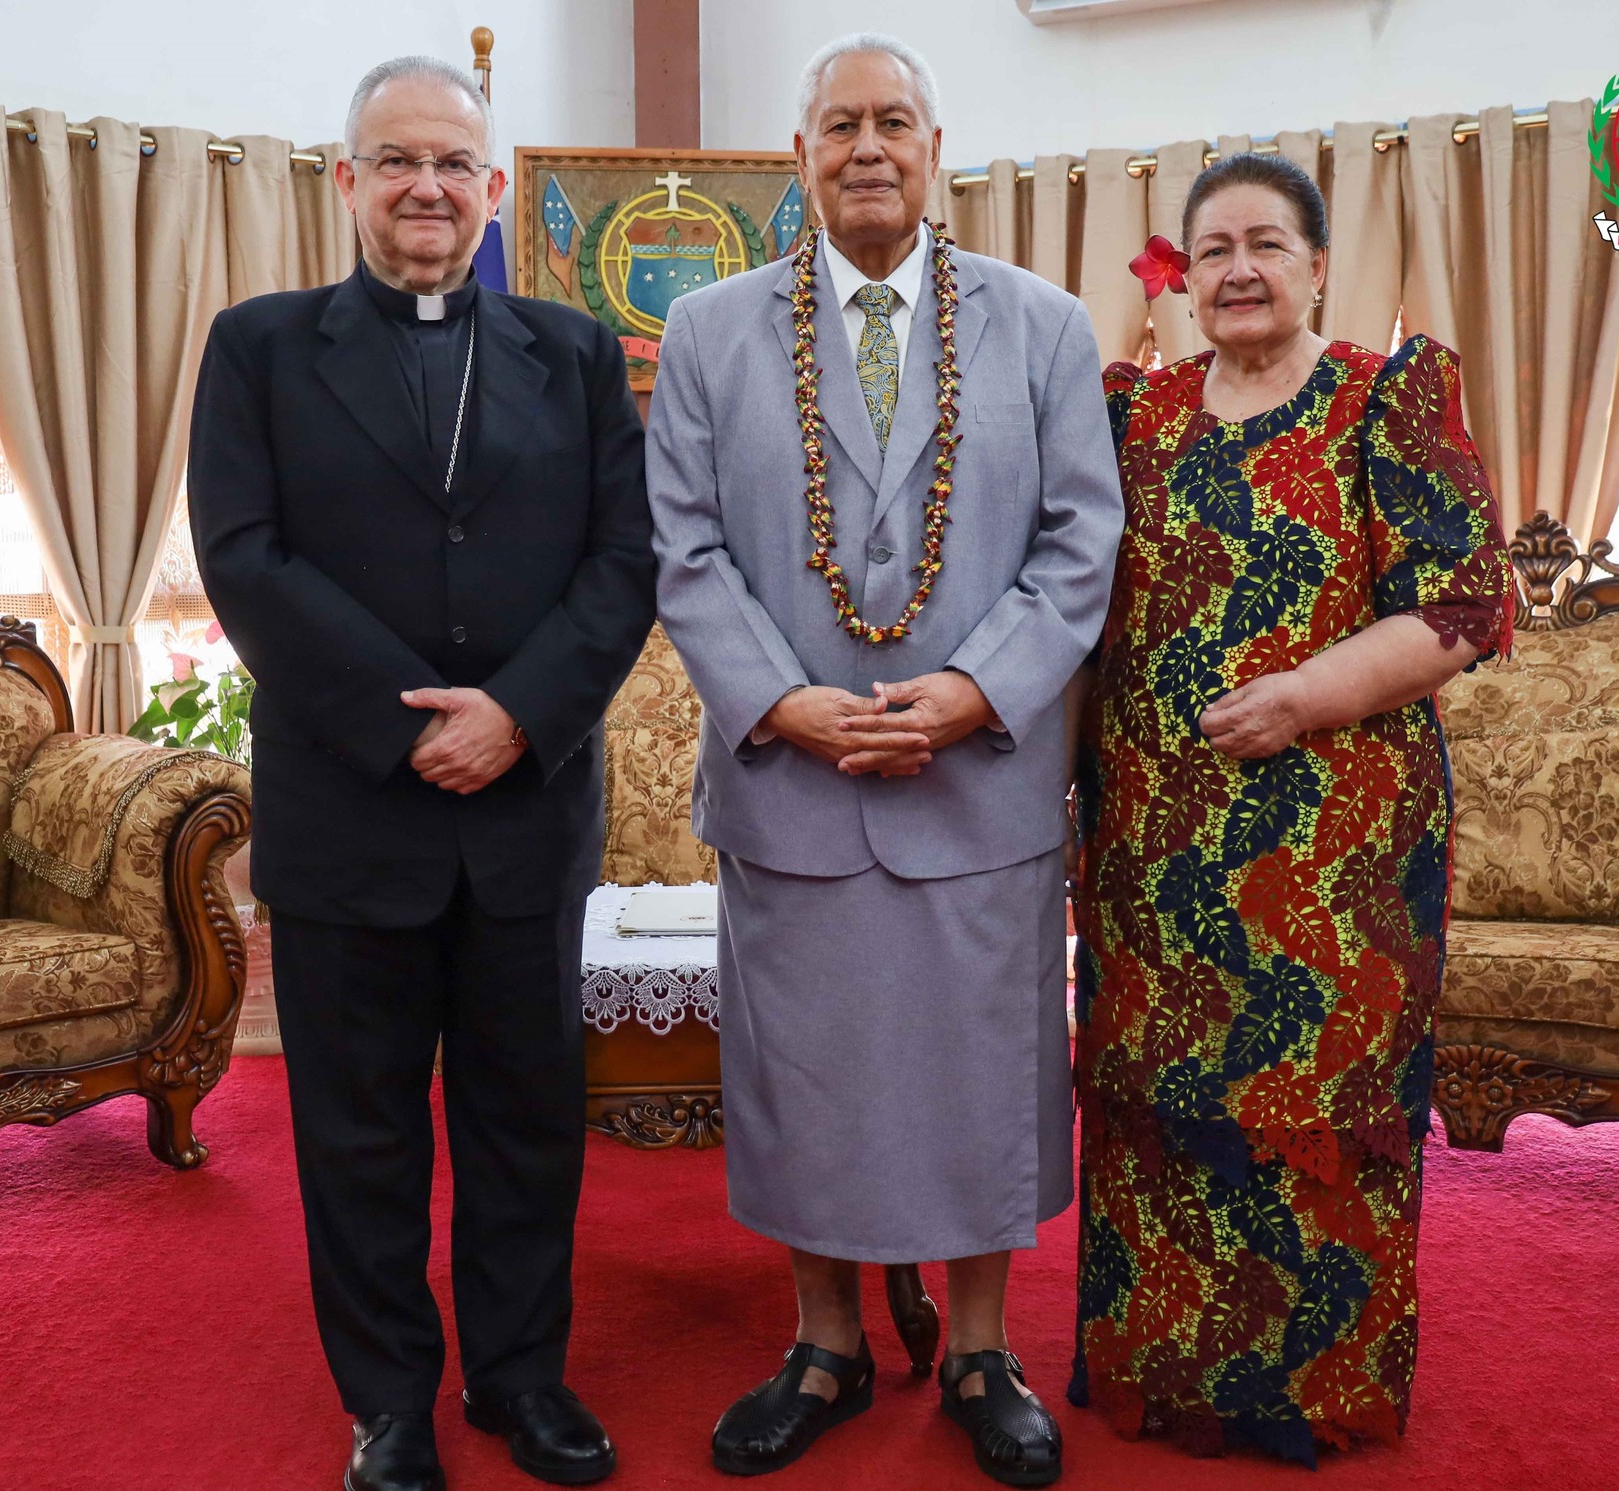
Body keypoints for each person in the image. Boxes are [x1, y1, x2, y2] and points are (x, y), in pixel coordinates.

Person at [646, 32, 1123, 1489]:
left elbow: (1081, 543)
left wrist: (977, 692)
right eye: (840, 124)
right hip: (792, 783)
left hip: (977, 783)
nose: (868, 147)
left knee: (981, 1077)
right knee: (811, 1081)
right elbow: (685, 549)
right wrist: (783, 703)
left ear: (935, 150)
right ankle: (826, 1346)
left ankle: (980, 1351)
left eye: (894, 122)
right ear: (800, 155)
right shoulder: (709, 333)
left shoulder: (1042, 327)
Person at [187, 55, 654, 1491]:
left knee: (526, 1127)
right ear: (348, 181)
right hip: (350, 814)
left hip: (525, 809)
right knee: (360, 1135)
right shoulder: (261, 347)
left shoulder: (574, 352)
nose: (427, 187)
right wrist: (407, 726)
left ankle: (521, 1379)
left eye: (454, 163)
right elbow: (244, 559)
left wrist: (516, 715)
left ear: (493, 188)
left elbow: (624, 558)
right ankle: (387, 1402)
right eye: (397, 160)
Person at [1072, 153, 1514, 1465]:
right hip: (1152, 845)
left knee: (1316, 1105)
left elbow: (1461, 605)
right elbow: (1075, 602)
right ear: (1183, 275)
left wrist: (1305, 697)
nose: (1240, 270)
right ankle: (1164, 1374)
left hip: (1337, 851)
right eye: (1213, 249)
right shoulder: (1132, 414)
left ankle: (1311, 1390)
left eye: (1267, 244)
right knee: (1158, 1100)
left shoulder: (1385, 400)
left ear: (1319, 266)